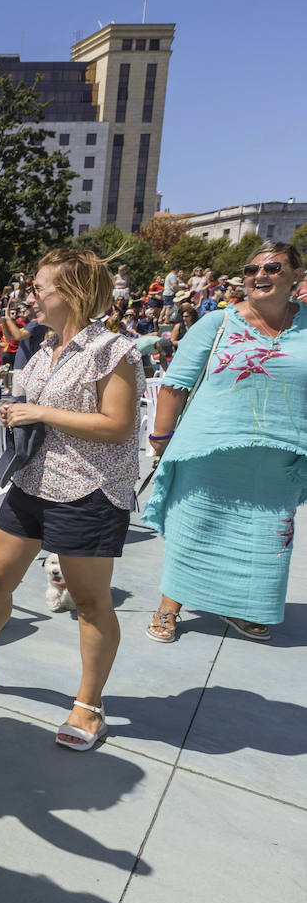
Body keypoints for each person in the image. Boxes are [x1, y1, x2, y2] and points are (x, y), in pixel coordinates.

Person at [0, 246, 142, 752]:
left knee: (88, 602)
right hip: (32, 483)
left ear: (72, 293)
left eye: (40, 287)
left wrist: (39, 413)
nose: (32, 295)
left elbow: (117, 426)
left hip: (89, 489)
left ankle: (88, 706)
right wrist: (16, 411)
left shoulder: (114, 350)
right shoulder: (43, 348)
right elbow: (37, 410)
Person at [143, 241, 305, 645]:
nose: (260, 276)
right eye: (251, 270)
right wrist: (161, 441)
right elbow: (175, 384)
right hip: (208, 450)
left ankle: (242, 606)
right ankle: (170, 606)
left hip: (279, 458)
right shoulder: (217, 323)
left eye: (272, 267)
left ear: (297, 276)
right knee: (195, 527)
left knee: (264, 538)